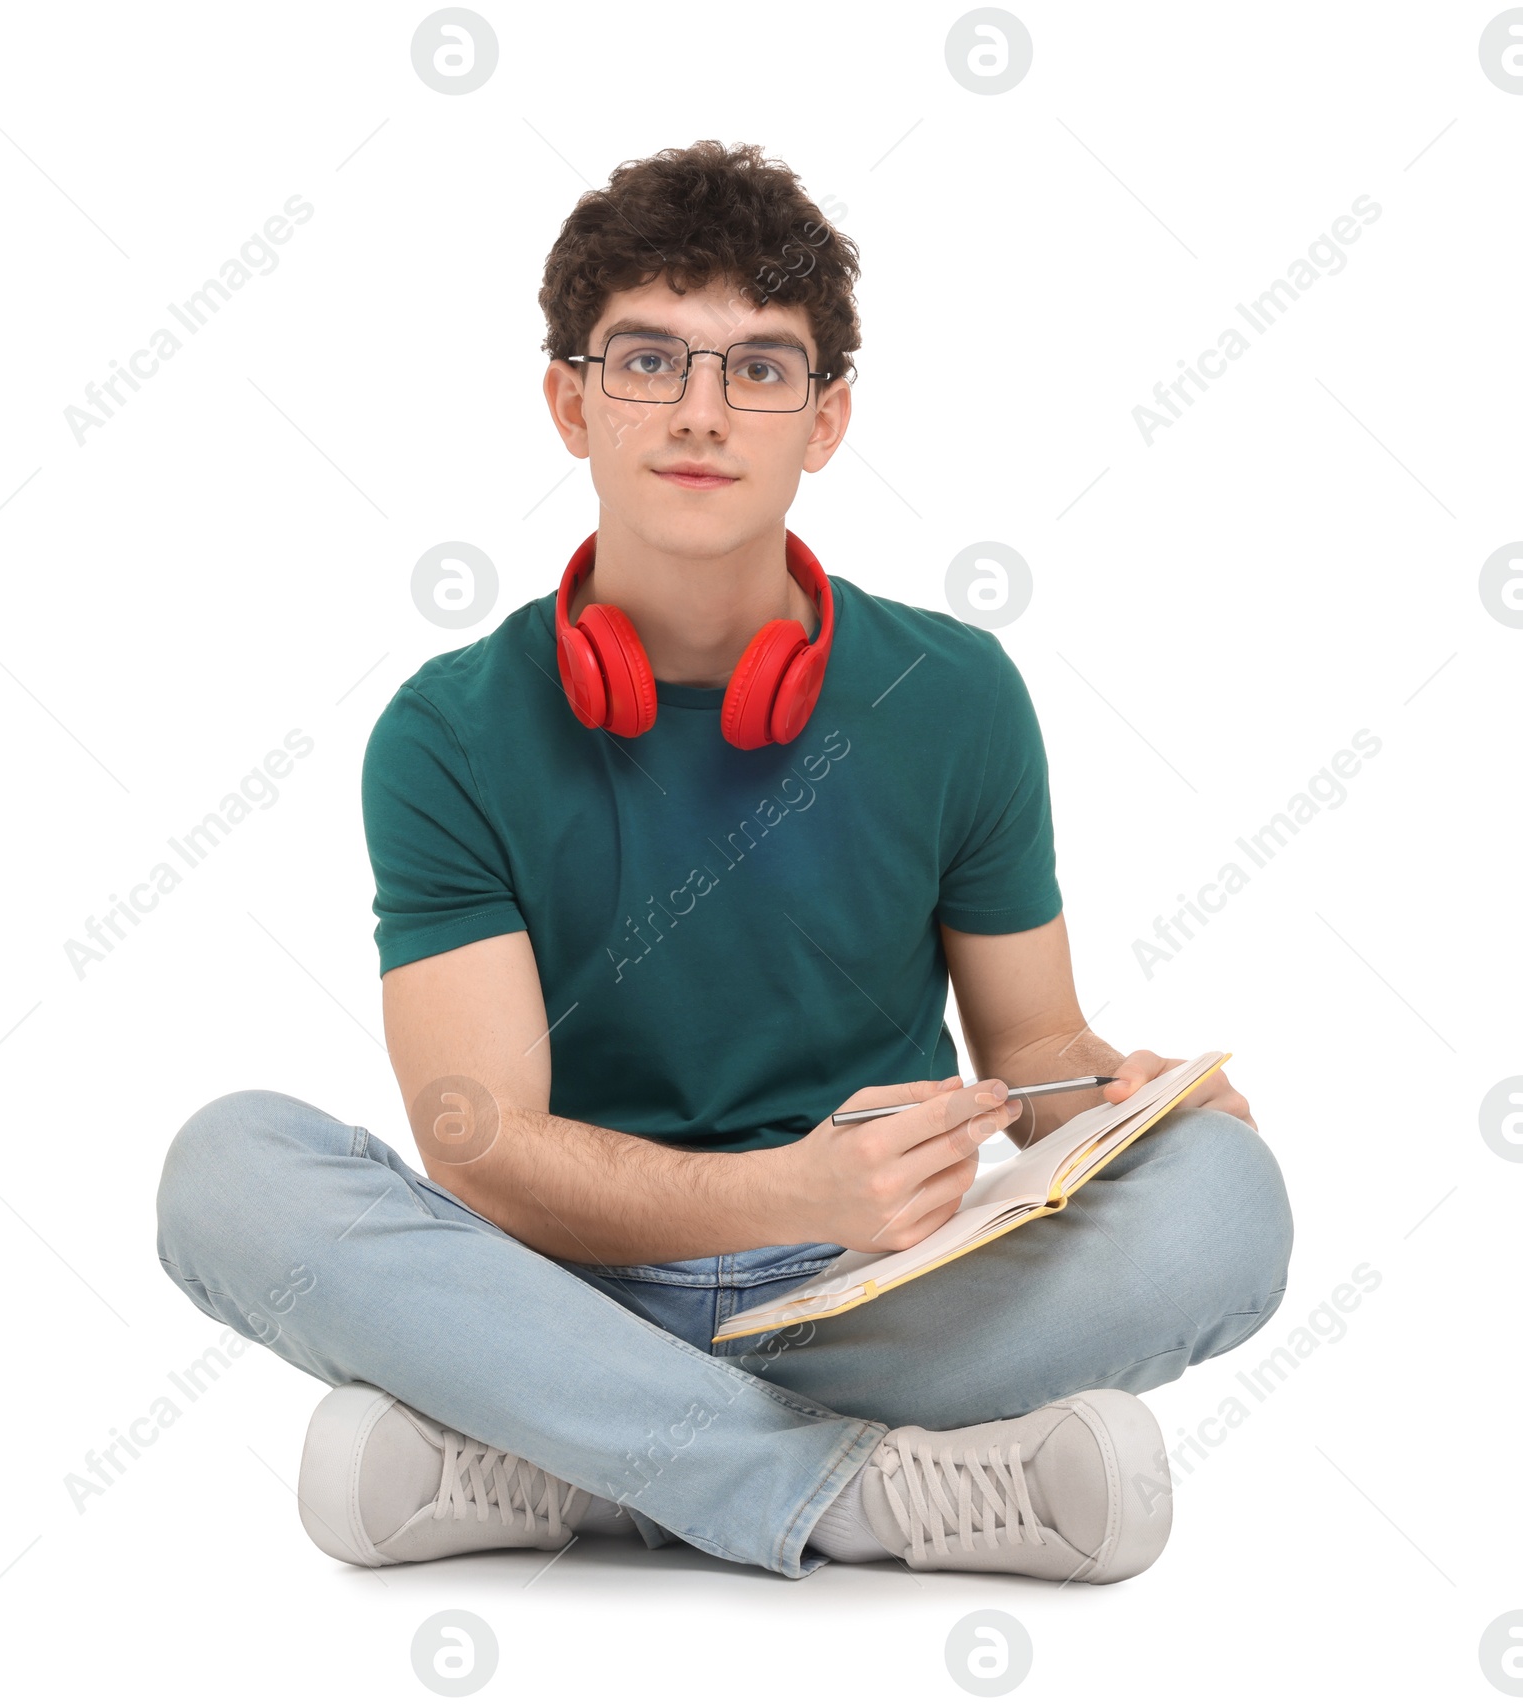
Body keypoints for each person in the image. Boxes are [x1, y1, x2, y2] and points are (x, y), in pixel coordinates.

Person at [156, 140, 1292, 1582]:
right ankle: (860, 1495)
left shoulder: (955, 696)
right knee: (228, 1172)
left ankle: (566, 1463)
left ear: (825, 420)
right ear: (571, 401)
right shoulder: (446, 729)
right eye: (650, 360)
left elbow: (1037, 1050)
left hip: (877, 1287)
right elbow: (480, 1149)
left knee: (1228, 1203)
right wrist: (780, 1196)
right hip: (555, 1281)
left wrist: (1124, 1102)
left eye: (759, 368)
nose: (702, 412)